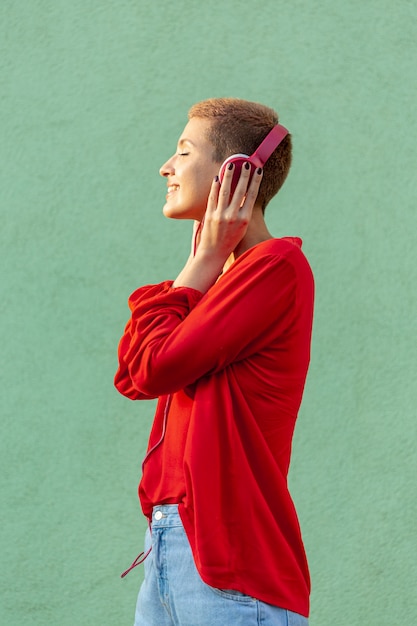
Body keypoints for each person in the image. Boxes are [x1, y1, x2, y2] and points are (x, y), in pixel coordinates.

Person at [114, 97, 314, 626]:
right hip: (168, 546)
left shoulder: (276, 268)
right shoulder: (213, 286)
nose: (166, 167)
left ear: (235, 174)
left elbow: (156, 367)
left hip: (227, 564)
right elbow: (134, 374)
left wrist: (203, 260)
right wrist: (200, 265)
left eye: (183, 151)